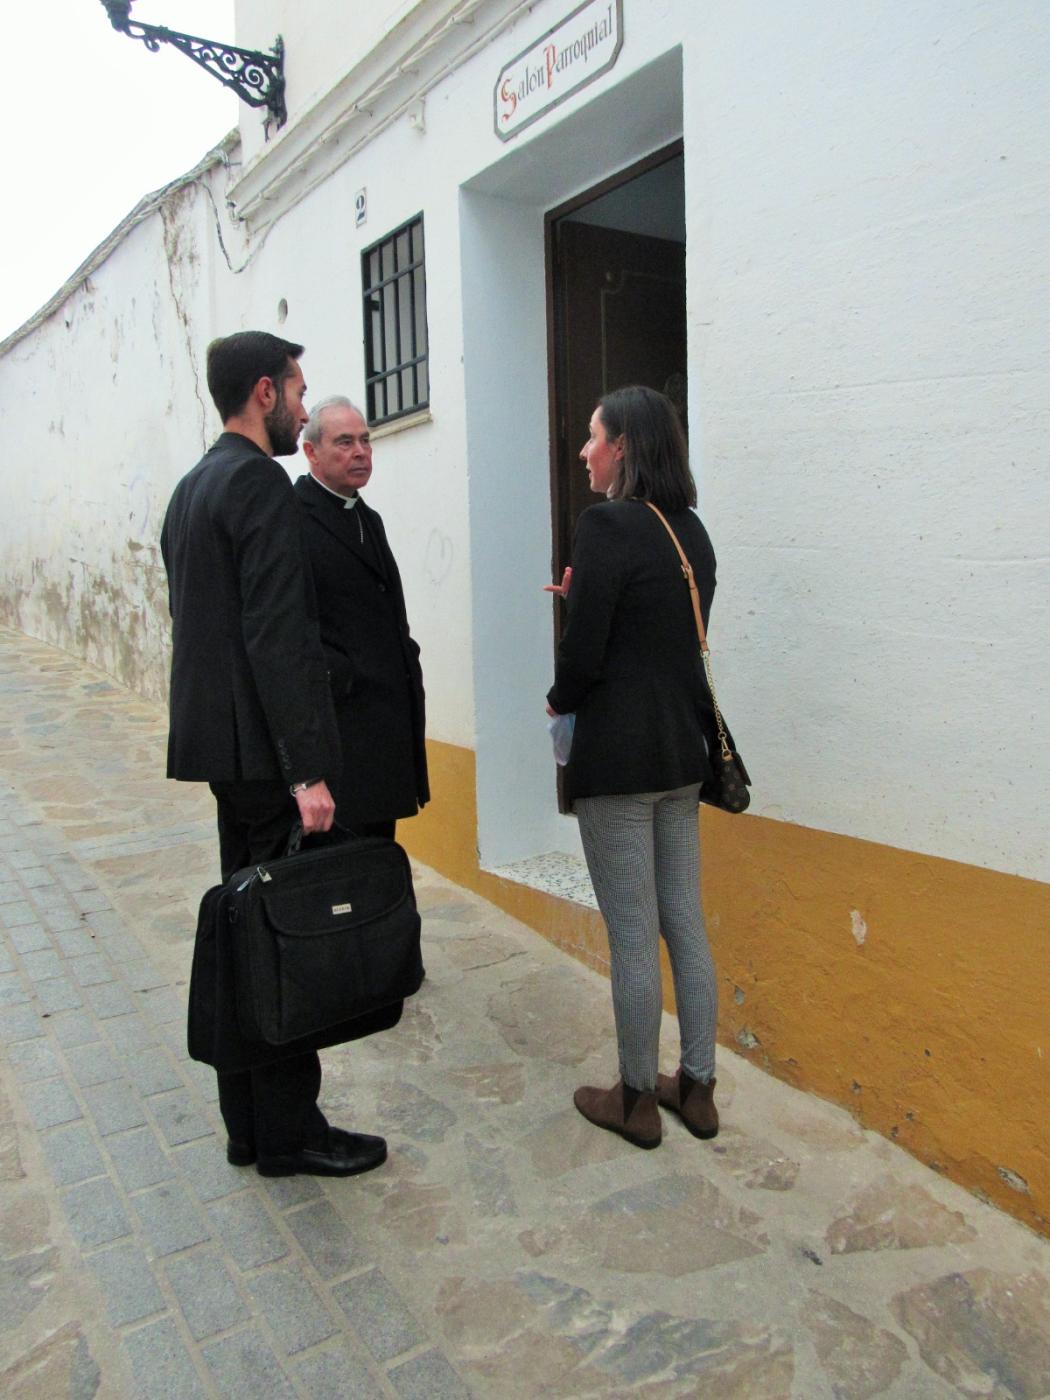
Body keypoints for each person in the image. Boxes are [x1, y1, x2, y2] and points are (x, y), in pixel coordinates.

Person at [161, 331, 390, 1179]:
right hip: (267, 759)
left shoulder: (193, 486)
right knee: (281, 940)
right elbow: (276, 634)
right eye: (297, 389)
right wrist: (306, 770)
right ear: (264, 393)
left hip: (225, 752)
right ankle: (291, 1133)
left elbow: (201, 621)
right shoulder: (258, 483)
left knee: (245, 931)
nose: (304, 402)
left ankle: (252, 1127)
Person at [545, 384, 721, 1150]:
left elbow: (587, 656)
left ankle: (638, 1100)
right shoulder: (692, 533)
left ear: (624, 447)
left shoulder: (605, 525)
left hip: (618, 760)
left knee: (630, 931)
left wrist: (557, 700)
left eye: (593, 437)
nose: (585, 451)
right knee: (684, 918)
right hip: (683, 755)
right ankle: (701, 1089)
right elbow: (661, 637)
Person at [295, 397, 428, 836]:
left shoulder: (367, 516)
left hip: (382, 732)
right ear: (312, 452)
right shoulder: (294, 518)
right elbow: (291, 624)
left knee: (375, 860)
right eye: (345, 442)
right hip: (340, 731)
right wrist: (342, 672)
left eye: (366, 441)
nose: (361, 452)